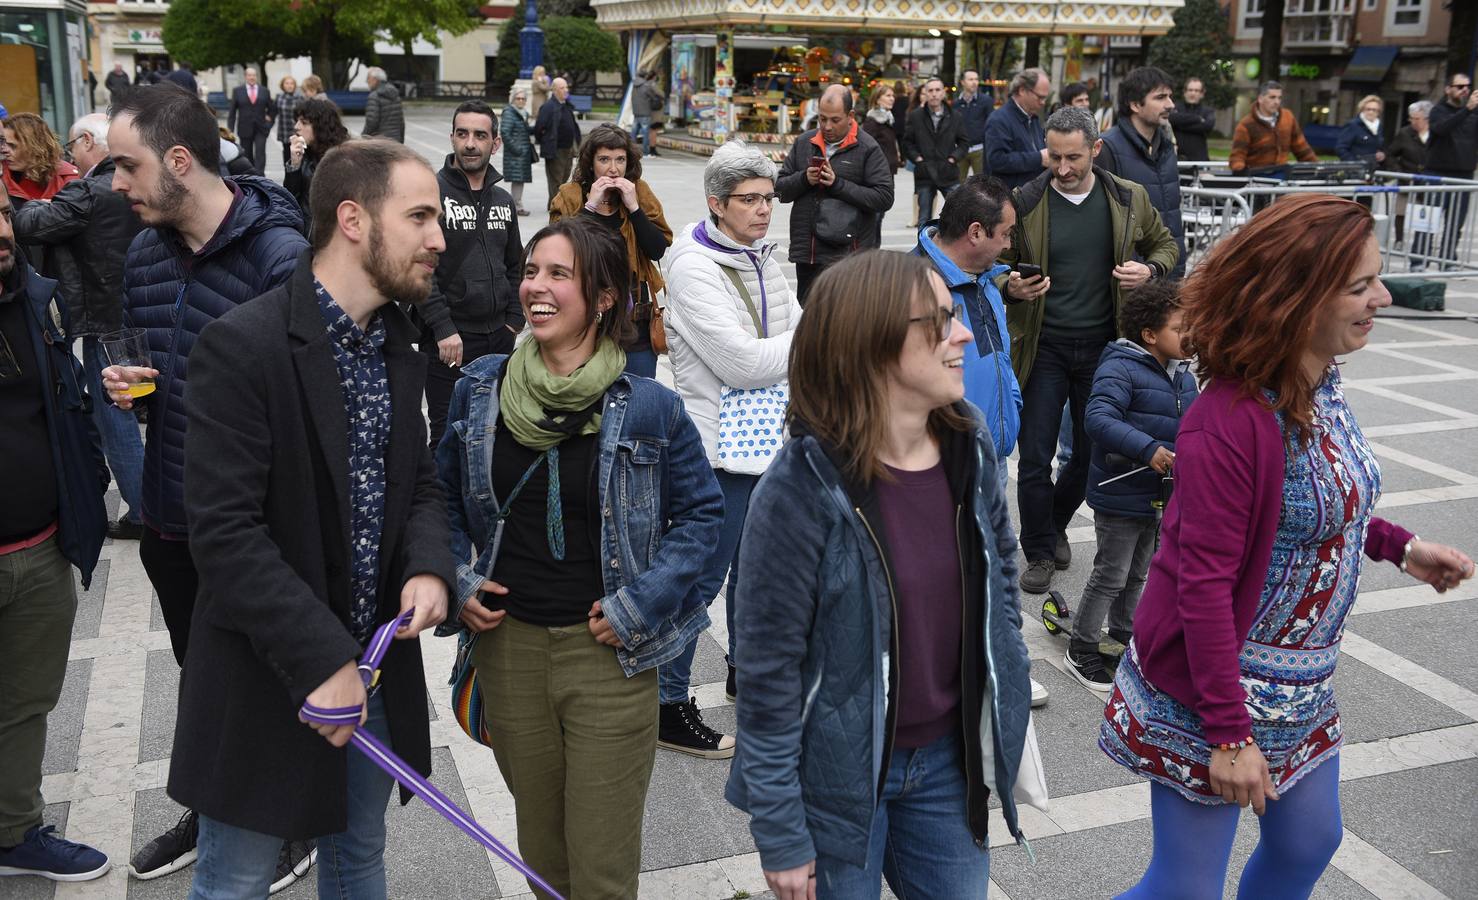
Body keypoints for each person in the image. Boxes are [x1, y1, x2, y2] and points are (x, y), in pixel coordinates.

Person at [1100, 193, 1475, 899]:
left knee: (1309, 843)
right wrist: (1229, 735)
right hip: (1210, 692)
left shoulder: (1321, 382)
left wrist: (1402, 547)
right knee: (1184, 889)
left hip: (1301, 686)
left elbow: (1320, 507)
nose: (1383, 298)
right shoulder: (1227, 420)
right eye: (1360, 286)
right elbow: (1201, 585)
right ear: (1296, 297)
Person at [137, 139, 456, 899]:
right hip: (268, 677)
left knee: (358, 859)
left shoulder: (399, 343)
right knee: (236, 880)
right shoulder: (242, 345)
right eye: (420, 216)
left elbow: (416, 485)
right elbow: (225, 534)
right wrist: (322, 659)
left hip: (374, 673)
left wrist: (427, 564)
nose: (439, 238)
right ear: (353, 219)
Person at [726, 250, 1034, 900]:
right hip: (837, 782)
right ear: (873, 341)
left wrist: (1004, 698)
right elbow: (768, 672)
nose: (965, 334)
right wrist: (781, 831)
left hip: (949, 767)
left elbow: (1002, 588)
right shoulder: (801, 487)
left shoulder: (968, 447)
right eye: (942, 320)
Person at [435, 216, 722, 899]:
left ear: (601, 299)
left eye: (558, 274)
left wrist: (642, 603)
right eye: (532, 271)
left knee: (600, 868)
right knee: (543, 854)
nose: (535, 285)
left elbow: (704, 515)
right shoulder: (479, 388)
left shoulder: (649, 405)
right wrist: (457, 577)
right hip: (509, 653)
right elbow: (436, 498)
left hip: (608, 657)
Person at [100, 82, 312, 887]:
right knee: (209, 686)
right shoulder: (145, 252)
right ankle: (217, 807)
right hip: (170, 513)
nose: (115, 183)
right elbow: (160, 363)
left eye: (127, 165)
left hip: (253, 528)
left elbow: (304, 414)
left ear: (180, 161)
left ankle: (290, 823)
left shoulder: (280, 258)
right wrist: (134, 383)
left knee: (275, 679)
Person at [997, 106, 1179, 595]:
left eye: (1073, 157)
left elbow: (1166, 245)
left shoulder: (1127, 196)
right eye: (1054, 156)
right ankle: (1037, 548)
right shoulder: (1027, 199)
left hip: (1105, 348)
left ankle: (1055, 524)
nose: (1061, 168)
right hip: (1043, 345)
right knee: (1033, 454)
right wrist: (1009, 285)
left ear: (1095, 150)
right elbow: (995, 259)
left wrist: (1151, 272)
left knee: (1087, 449)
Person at [660, 140, 802, 755]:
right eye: (750, 199)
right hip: (715, 445)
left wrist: (794, 341)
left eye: (769, 198)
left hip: (769, 437)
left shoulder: (763, 252)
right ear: (717, 203)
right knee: (701, 576)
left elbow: (793, 324)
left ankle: (749, 671)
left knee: (760, 567)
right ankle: (667, 700)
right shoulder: (693, 265)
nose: (764, 209)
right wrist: (802, 342)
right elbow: (742, 364)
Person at [0, 188, 112, 885]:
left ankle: (13, 831)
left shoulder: (37, 300)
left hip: (39, 548)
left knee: (24, 704)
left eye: (2, 216)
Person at [913, 175, 1051, 709]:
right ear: (975, 231)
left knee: (989, 563)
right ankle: (979, 671)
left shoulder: (986, 278)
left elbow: (998, 364)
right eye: (1005, 233)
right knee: (958, 571)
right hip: (945, 461)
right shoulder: (920, 287)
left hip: (988, 456)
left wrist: (1010, 409)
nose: (1011, 245)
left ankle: (993, 664)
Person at [12, 113, 145, 542]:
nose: (70, 156)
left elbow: (28, 226)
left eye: (73, 147)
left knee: (114, 419)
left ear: (88, 141)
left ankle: (142, 511)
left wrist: (34, 205)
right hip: (141, 313)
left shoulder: (88, 190)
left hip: (103, 322)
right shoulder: (136, 183)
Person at [1066, 281, 1196, 694]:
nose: (1190, 335)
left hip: (1162, 492)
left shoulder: (1184, 376)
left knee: (1140, 571)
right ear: (1149, 335)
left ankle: (1123, 636)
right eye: (1181, 327)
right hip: (1121, 487)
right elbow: (1098, 419)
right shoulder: (1120, 366)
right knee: (1111, 573)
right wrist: (1148, 449)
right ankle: (1082, 646)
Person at [418, 100, 524, 448]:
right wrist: (443, 328)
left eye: (480, 135)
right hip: (451, 342)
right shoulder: (430, 195)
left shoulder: (503, 200)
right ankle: (443, 506)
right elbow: (419, 271)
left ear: (496, 143)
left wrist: (513, 321)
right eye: (462, 134)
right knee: (448, 438)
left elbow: (515, 266)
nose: (470, 143)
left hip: (498, 337)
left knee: (495, 435)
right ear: (451, 137)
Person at [549, 124, 671, 379]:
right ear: (590, 163)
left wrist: (635, 208)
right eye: (604, 159)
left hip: (633, 320)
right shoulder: (570, 195)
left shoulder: (639, 191)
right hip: (584, 316)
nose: (613, 169)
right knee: (588, 400)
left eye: (620, 160)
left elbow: (657, 249)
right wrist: (590, 207)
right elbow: (556, 251)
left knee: (638, 395)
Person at [777, 83, 894, 303]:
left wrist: (838, 184)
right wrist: (804, 179)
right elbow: (780, 188)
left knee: (845, 325)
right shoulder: (804, 142)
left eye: (835, 120)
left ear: (850, 116)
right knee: (808, 320)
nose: (827, 126)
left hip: (849, 254)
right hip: (809, 254)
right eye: (822, 118)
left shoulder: (867, 147)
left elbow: (884, 197)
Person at [1097, 66, 1186, 278]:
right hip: (1128, 277)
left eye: (1170, 97)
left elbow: (1171, 211)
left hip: (1165, 270)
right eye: (1160, 97)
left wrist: (1175, 262)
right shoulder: (1108, 148)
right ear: (1136, 104)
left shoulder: (1165, 147)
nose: (1170, 105)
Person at [1421, 71, 1478, 268]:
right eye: (1460, 86)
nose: (1465, 90)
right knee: (1428, 221)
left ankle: (1447, 259)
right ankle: (1420, 259)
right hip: (1437, 173)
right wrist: (1467, 110)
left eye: (1467, 86)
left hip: (1463, 174)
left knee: (1455, 222)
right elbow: (1440, 129)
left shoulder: (1473, 113)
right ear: (1448, 89)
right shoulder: (1438, 110)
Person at [904, 77, 968, 232]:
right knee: (924, 218)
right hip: (924, 173)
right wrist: (918, 159)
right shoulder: (916, 116)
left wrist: (953, 158)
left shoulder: (955, 116)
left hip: (948, 171)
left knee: (959, 212)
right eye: (930, 90)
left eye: (937, 90)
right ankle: (922, 253)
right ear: (925, 93)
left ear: (943, 93)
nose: (934, 94)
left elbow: (964, 142)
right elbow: (907, 142)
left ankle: (953, 251)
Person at [1228, 81, 1317, 173]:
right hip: (1257, 176)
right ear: (1260, 99)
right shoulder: (1246, 125)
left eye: (1279, 98)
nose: (1277, 102)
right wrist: (1241, 171)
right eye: (1272, 97)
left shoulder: (1288, 118)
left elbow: (1301, 148)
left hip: (1282, 175)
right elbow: (1237, 156)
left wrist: (1316, 168)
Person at [985, 68, 1051, 189]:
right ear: (1022, 90)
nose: (1043, 102)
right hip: (1008, 198)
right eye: (1040, 97)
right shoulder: (999, 119)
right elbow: (997, 160)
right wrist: (1039, 158)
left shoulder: (1033, 118)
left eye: (1045, 98)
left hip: (1031, 194)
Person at [283, 97, 351, 214]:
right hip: (305, 227)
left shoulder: (342, 158)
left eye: (304, 122)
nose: (296, 127)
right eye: (297, 121)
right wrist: (294, 164)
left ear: (321, 127)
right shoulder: (305, 152)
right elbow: (290, 199)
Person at [2, 112, 80, 202]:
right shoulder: (3, 178)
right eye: (3, 144)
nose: (4, 150)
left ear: (35, 147)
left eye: (12, 146)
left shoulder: (68, 177)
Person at [860, 84, 900, 245]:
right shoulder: (872, 121)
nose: (892, 98)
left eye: (892, 95)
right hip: (876, 175)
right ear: (877, 99)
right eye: (888, 95)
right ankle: (870, 250)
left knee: (880, 215)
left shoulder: (888, 119)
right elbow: (866, 148)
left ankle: (873, 248)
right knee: (875, 215)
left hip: (887, 173)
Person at [1387, 100, 1431, 245]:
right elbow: (1391, 154)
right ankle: (1399, 240)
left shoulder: (1436, 133)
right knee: (1401, 211)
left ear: (1427, 118)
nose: (1413, 121)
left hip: (1427, 180)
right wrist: (1399, 172)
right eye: (1411, 118)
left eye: (1416, 118)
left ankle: (1421, 243)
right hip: (1406, 176)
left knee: (1426, 213)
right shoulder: (1404, 133)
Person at [533, 77, 582, 208]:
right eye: (562, 88)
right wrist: (545, 141)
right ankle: (556, 208)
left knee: (565, 179)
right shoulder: (548, 107)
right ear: (554, 90)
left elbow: (573, 125)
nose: (566, 90)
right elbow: (539, 128)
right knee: (556, 182)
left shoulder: (566, 106)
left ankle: (556, 205)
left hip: (569, 149)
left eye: (566, 87)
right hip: (556, 150)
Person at [501, 88, 536, 216]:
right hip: (515, 154)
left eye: (523, 99)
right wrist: (517, 150)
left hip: (521, 154)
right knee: (517, 180)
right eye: (518, 98)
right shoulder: (510, 113)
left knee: (519, 180)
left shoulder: (523, 113)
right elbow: (504, 132)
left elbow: (525, 130)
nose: (521, 101)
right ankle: (516, 207)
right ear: (513, 99)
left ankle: (517, 205)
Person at [955, 69, 991, 180]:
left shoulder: (986, 101)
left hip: (979, 150)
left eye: (976, 79)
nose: (974, 82)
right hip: (960, 150)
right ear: (962, 82)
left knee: (982, 185)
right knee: (958, 186)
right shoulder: (956, 103)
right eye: (970, 79)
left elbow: (992, 124)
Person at [1168, 77, 1215, 162]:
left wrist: (1179, 125)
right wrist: (1197, 118)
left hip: (1200, 160)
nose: (1193, 93)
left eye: (1196, 90)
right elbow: (1171, 118)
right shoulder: (1174, 107)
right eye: (1190, 90)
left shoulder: (1208, 111)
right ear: (1185, 92)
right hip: (1176, 159)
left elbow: (1207, 126)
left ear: (1202, 94)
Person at [1336, 94, 1385, 167]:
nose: (1371, 112)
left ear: (1378, 112)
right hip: (1354, 169)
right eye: (1368, 109)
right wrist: (1354, 164)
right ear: (1362, 109)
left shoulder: (1379, 127)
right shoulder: (1353, 125)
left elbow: (1379, 146)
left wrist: (1382, 155)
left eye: (1374, 110)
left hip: (1372, 168)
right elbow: (1340, 148)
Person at [361, 67, 405, 143]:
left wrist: (363, 136)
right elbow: (401, 122)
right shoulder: (396, 95)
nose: (367, 81)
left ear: (375, 79)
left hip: (380, 143)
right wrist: (401, 141)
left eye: (368, 78)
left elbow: (372, 122)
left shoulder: (374, 96)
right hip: (396, 141)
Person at [631, 69, 663, 158]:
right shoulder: (645, 85)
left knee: (634, 132)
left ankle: (631, 150)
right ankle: (645, 152)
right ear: (644, 76)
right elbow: (653, 96)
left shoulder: (634, 85)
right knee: (645, 133)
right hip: (645, 112)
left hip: (636, 112)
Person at [274, 75, 303, 167]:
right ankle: (288, 177)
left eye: (292, 83)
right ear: (283, 85)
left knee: (298, 156)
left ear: (294, 85)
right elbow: (273, 111)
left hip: (297, 132)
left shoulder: (300, 98)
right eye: (287, 83)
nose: (289, 85)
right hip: (285, 131)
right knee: (287, 156)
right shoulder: (279, 97)